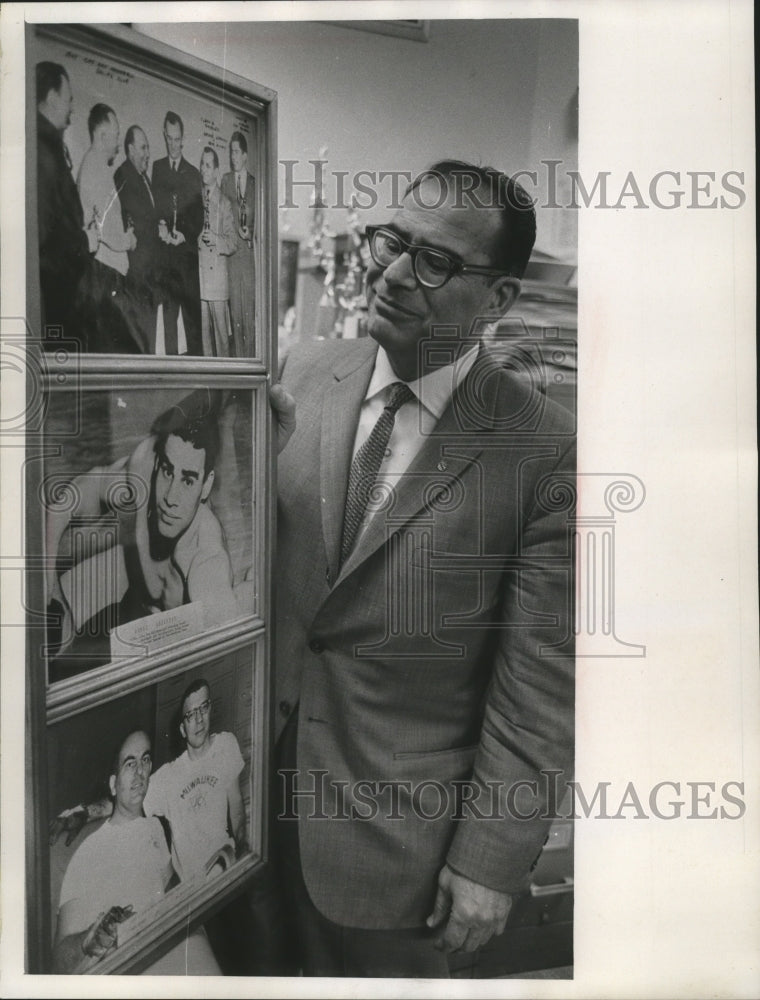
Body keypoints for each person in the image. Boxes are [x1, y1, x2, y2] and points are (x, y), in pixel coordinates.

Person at [268, 159, 576, 977]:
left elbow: (538, 692)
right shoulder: (303, 373)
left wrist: (489, 861)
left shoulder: (543, 450)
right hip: (240, 816)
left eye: (434, 261)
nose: (395, 274)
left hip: (394, 853)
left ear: (501, 301)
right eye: (392, 242)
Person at [46, 390, 240, 679]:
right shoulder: (141, 478)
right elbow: (66, 502)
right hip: (129, 615)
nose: (171, 497)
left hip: (169, 660)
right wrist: (49, 585)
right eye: (166, 471)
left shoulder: (206, 556)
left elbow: (223, 657)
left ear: (206, 485)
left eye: (188, 480)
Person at [52, 729, 220, 974]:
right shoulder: (91, 851)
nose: (140, 771)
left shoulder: (153, 826)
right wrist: (91, 940)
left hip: (173, 941)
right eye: (130, 763)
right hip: (133, 962)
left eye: (145, 760)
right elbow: (58, 962)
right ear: (113, 783)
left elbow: (166, 879)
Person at [35, 61, 96, 348]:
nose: (72, 107)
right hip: (57, 304)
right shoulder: (42, 153)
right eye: (69, 98)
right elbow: (44, 239)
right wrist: (84, 244)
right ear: (51, 97)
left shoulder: (48, 147)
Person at [76, 103, 139, 353]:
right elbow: (107, 232)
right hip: (104, 275)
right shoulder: (95, 169)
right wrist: (129, 241)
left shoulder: (96, 167)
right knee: (112, 351)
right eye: (115, 136)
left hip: (106, 274)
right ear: (102, 135)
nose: (117, 143)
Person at [152, 111, 203, 355]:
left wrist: (184, 235)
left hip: (186, 261)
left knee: (192, 324)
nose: (173, 144)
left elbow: (199, 218)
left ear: (183, 139)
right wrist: (160, 224)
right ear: (164, 137)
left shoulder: (194, 174)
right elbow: (155, 209)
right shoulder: (157, 169)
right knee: (169, 322)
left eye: (177, 139)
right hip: (165, 261)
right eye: (169, 139)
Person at [115, 125, 162, 352]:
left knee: (148, 338)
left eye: (148, 147)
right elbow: (132, 223)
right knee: (139, 341)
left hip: (150, 275)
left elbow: (149, 217)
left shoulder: (144, 177)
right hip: (137, 275)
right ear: (131, 149)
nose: (147, 153)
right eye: (143, 147)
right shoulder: (123, 175)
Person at [197, 147, 236, 358]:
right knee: (205, 340)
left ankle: (226, 387)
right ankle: (210, 388)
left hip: (217, 282)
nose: (203, 169)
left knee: (221, 339)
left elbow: (233, 242)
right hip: (201, 279)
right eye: (202, 164)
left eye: (208, 165)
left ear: (216, 170)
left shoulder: (224, 203)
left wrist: (215, 240)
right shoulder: (195, 199)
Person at [220, 131, 255, 357]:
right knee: (234, 316)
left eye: (235, 152)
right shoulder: (224, 181)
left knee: (248, 314)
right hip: (231, 256)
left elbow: (259, 220)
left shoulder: (253, 183)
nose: (232, 156)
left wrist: (249, 232)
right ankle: (239, 362)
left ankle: (251, 360)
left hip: (248, 255)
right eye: (230, 152)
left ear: (244, 155)